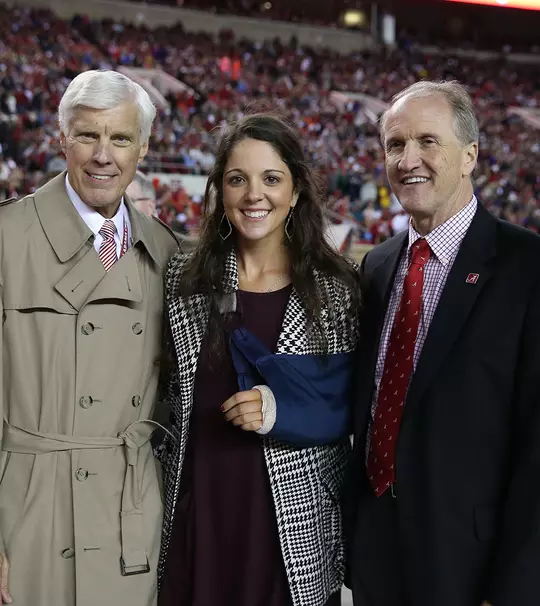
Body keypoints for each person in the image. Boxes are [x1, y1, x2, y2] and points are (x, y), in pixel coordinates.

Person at [343, 79, 540, 606]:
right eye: (395, 144)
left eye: (428, 141)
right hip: (375, 558)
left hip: (473, 569)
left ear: (470, 155)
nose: (409, 159)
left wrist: (515, 587)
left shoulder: (526, 267)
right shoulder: (378, 266)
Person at [157, 112, 362, 606]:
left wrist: (280, 409)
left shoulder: (337, 290)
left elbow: (350, 404)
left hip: (293, 533)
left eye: (271, 179)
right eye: (237, 179)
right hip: (197, 516)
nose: (254, 195)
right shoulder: (183, 279)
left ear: (295, 193)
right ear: (220, 191)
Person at [0, 70, 178, 606]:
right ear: (61, 138)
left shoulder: (169, 251)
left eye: (120, 138)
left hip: (129, 513)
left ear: (143, 147)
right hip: (26, 510)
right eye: (87, 135)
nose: (103, 155)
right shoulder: (8, 239)